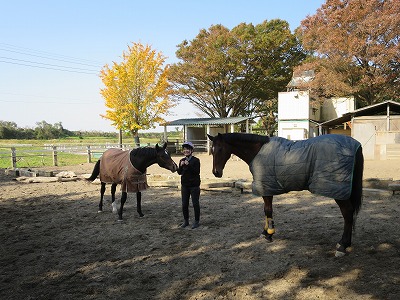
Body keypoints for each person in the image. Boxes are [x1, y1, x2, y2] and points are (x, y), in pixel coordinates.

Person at [177, 141, 201, 229]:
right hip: (185, 186)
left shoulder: (196, 160)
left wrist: (189, 165)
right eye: (184, 149)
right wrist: (180, 166)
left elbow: (197, 172)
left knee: (195, 203)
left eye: (188, 149)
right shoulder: (182, 160)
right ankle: (186, 221)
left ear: (191, 150)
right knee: (184, 204)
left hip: (194, 185)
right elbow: (179, 173)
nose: (186, 151)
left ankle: (196, 221)